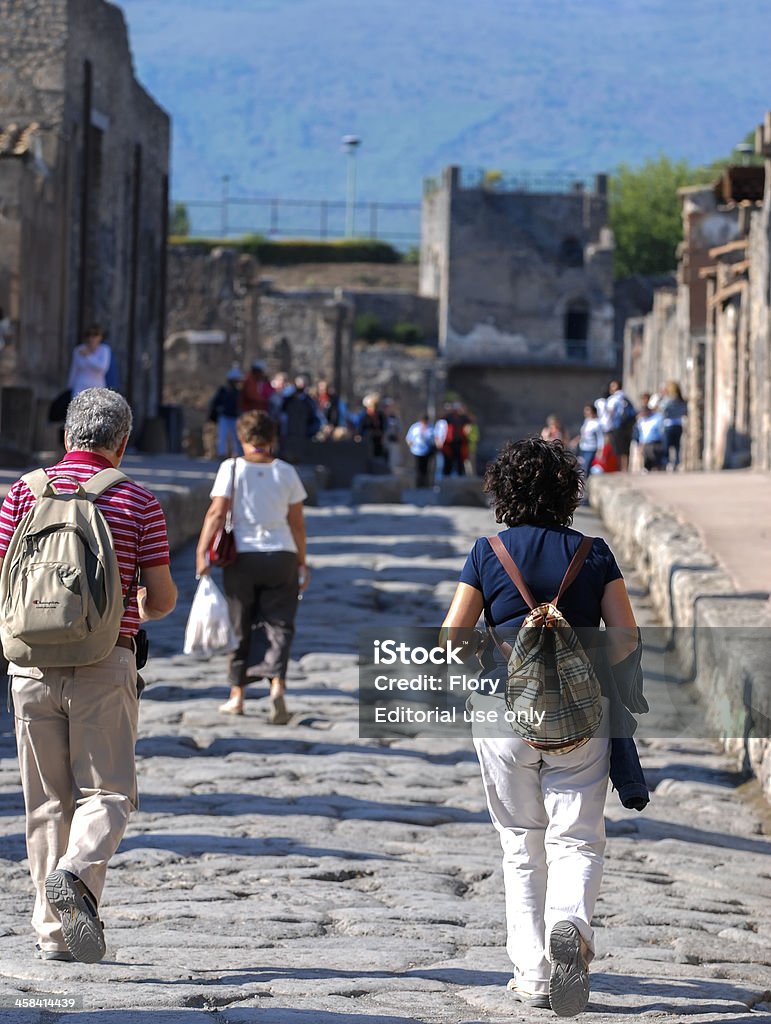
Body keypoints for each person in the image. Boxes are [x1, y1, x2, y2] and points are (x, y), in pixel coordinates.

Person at [441, 437, 638, 1015]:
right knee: (576, 836)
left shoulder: (487, 551)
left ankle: (532, 974)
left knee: (521, 843)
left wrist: (486, 659)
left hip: (504, 712)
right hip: (581, 715)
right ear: (568, 494)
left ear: (503, 492)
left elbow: (453, 636)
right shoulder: (594, 553)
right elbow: (625, 638)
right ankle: (571, 925)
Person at [0, 388, 177, 963]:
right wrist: (133, 608)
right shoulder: (137, 502)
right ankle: (75, 872)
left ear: (66, 435)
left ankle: (53, 937)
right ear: (121, 442)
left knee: (47, 802)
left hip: (29, 665)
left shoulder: (20, 495)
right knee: (109, 792)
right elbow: (164, 598)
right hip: (105, 662)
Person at [195, 411, 309, 723]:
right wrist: (302, 561)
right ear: (272, 439)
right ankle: (277, 687)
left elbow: (217, 513)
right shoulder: (286, 472)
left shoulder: (230, 468)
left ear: (242, 438)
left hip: (242, 557)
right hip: (282, 554)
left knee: (240, 623)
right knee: (279, 624)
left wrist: (202, 551)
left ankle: (237, 696)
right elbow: (297, 523)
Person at [599, 380, 635, 472]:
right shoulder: (626, 397)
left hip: (617, 426)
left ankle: (619, 468)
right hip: (628, 426)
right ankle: (626, 468)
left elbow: (609, 413)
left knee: (618, 449)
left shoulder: (613, 399)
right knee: (626, 448)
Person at [209, 366, 244, 458]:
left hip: (234, 417)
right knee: (222, 436)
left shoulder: (238, 392)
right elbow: (215, 402)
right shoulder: (223, 390)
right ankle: (221, 454)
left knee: (236, 437)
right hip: (224, 416)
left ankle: (237, 454)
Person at [68, 324, 112, 396]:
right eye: (89, 334)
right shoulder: (79, 349)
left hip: (97, 387)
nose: (91, 338)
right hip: (80, 387)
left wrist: (88, 356)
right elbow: (74, 369)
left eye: (95, 334)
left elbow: (103, 368)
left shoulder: (105, 350)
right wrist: (70, 387)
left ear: (101, 337)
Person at [659, 381, 687, 470]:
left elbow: (662, 410)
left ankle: (666, 462)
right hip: (678, 424)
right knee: (677, 445)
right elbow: (684, 411)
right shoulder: (681, 401)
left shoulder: (668, 400)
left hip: (669, 424)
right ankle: (677, 462)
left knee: (667, 445)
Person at [570, 403, 602, 475]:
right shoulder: (587, 421)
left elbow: (600, 438)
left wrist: (600, 449)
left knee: (586, 466)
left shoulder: (597, 423)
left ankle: (586, 483)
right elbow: (583, 434)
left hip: (591, 448)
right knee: (580, 465)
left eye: (588, 411)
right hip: (583, 447)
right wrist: (576, 440)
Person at [635, 402, 667, 471]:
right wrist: (640, 444)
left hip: (655, 442)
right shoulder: (641, 421)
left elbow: (661, 430)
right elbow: (641, 434)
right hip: (645, 443)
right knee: (647, 463)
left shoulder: (657, 418)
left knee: (656, 461)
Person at [405, 414, 435, 488]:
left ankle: (426, 484)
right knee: (418, 468)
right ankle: (418, 484)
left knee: (426, 468)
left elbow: (434, 439)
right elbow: (409, 437)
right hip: (416, 451)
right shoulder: (415, 427)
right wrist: (410, 445)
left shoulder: (431, 427)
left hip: (427, 451)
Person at [441, 402, 470, 476]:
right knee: (448, 460)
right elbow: (442, 419)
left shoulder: (463, 417)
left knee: (460, 461)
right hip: (449, 443)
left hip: (460, 442)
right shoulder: (449, 417)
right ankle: (446, 475)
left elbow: (470, 421)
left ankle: (460, 475)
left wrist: (464, 411)